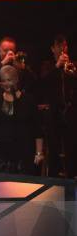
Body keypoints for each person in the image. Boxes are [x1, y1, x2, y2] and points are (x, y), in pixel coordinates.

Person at [0, 65, 44, 174]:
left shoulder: (28, 101)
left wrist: (39, 153)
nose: (6, 84)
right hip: (2, 156)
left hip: (25, 153)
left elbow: (37, 129)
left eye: (9, 80)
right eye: (3, 81)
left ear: (16, 80)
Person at [38, 34, 77, 178]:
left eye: (65, 46)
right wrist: (57, 66)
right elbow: (43, 84)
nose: (62, 49)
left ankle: (72, 176)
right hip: (53, 112)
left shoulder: (73, 65)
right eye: (59, 46)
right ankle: (54, 178)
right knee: (53, 147)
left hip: (70, 111)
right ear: (52, 48)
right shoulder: (47, 66)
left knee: (72, 146)